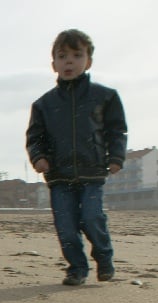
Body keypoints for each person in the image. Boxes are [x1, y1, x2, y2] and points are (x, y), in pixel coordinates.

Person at [26, 29, 128, 286]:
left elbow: (116, 129)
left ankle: (104, 260)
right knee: (66, 226)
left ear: (88, 61)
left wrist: (116, 157)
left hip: (92, 172)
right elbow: (34, 136)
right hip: (59, 176)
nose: (68, 61)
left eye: (76, 55)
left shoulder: (105, 97)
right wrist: (38, 157)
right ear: (54, 64)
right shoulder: (43, 104)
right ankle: (77, 268)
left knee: (93, 218)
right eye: (62, 56)